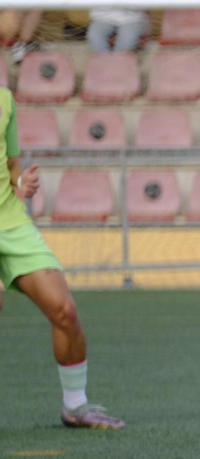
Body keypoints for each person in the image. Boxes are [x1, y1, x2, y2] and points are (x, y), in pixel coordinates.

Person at [0, 86, 124, 428]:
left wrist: (21, 181)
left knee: (64, 310)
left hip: (11, 223)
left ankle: (75, 406)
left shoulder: (5, 99)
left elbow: (11, 164)